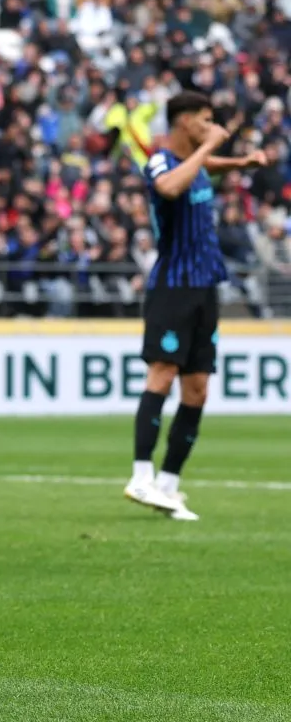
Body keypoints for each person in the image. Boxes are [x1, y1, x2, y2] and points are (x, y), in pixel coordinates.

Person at [125, 90, 268, 521]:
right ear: (184, 121)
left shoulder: (196, 163)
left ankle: (169, 485)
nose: (211, 126)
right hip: (174, 287)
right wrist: (209, 147)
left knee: (198, 386)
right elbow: (169, 186)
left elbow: (203, 167)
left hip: (207, 286)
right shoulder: (161, 161)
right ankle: (141, 475)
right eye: (204, 120)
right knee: (162, 373)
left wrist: (237, 165)